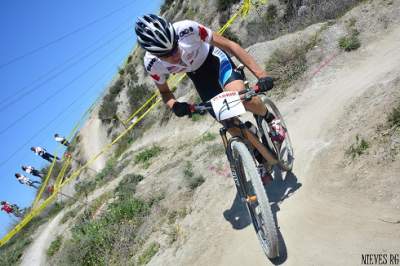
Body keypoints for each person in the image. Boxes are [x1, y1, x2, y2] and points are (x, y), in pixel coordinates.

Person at [134, 14, 286, 181]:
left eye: (175, 47)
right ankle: (260, 156)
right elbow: (165, 92)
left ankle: (270, 118)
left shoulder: (187, 29)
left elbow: (230, 45)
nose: (175, 55)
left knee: (241, 98)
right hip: (199, 77)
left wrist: (261, 75)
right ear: (155, 55)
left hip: (216, 61)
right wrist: (175, 105)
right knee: (228, 122)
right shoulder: (152, 65)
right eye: (167, 55)